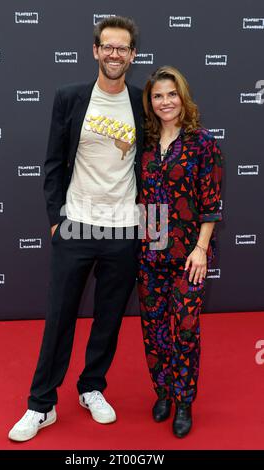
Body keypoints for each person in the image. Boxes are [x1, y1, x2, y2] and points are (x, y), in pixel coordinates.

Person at [8, 16, 143, 442]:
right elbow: (52, 163)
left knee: (108, 318)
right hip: (76, 224)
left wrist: (152, 229)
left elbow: (156, 168)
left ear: (133, 55)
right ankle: (41, 404)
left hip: (125, 228)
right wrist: (55, 220)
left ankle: (92, 388)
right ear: (95, 51)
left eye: (123, 48)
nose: (115, 54)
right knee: (59, 318)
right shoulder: (70, 98)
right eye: (108, 47)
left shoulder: (143, 102)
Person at [138, 66, 223, 438]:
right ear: (150, 102)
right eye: (158, 96)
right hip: (151, 250)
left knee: (185, 329)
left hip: (190, 253)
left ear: (182, 97)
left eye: (171, 94)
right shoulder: (145, 142)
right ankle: (163, 392)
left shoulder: (202, 141)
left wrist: (201, 249)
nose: (165, 101)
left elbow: (212, 202)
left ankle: (185, 401)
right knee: (154, 330)